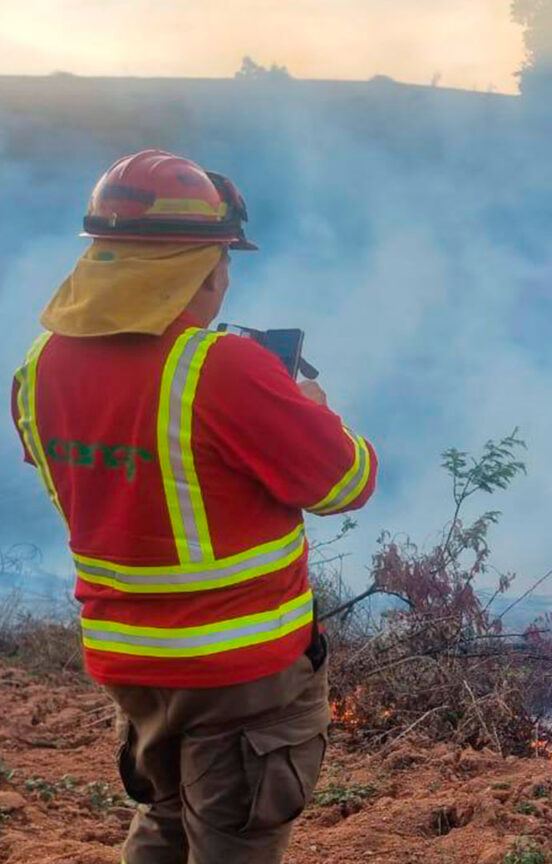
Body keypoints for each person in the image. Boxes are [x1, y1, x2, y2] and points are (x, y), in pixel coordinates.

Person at [8, 149, 380, 864]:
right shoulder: (224, 370)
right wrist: (311, 411)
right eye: (222, 260)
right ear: (197, 266)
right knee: (233, 844)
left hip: (129, 665)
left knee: (167, 822)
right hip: (238, 673)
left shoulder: (36, 368)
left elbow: (118, 468)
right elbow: (346, 483)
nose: (225, 277)